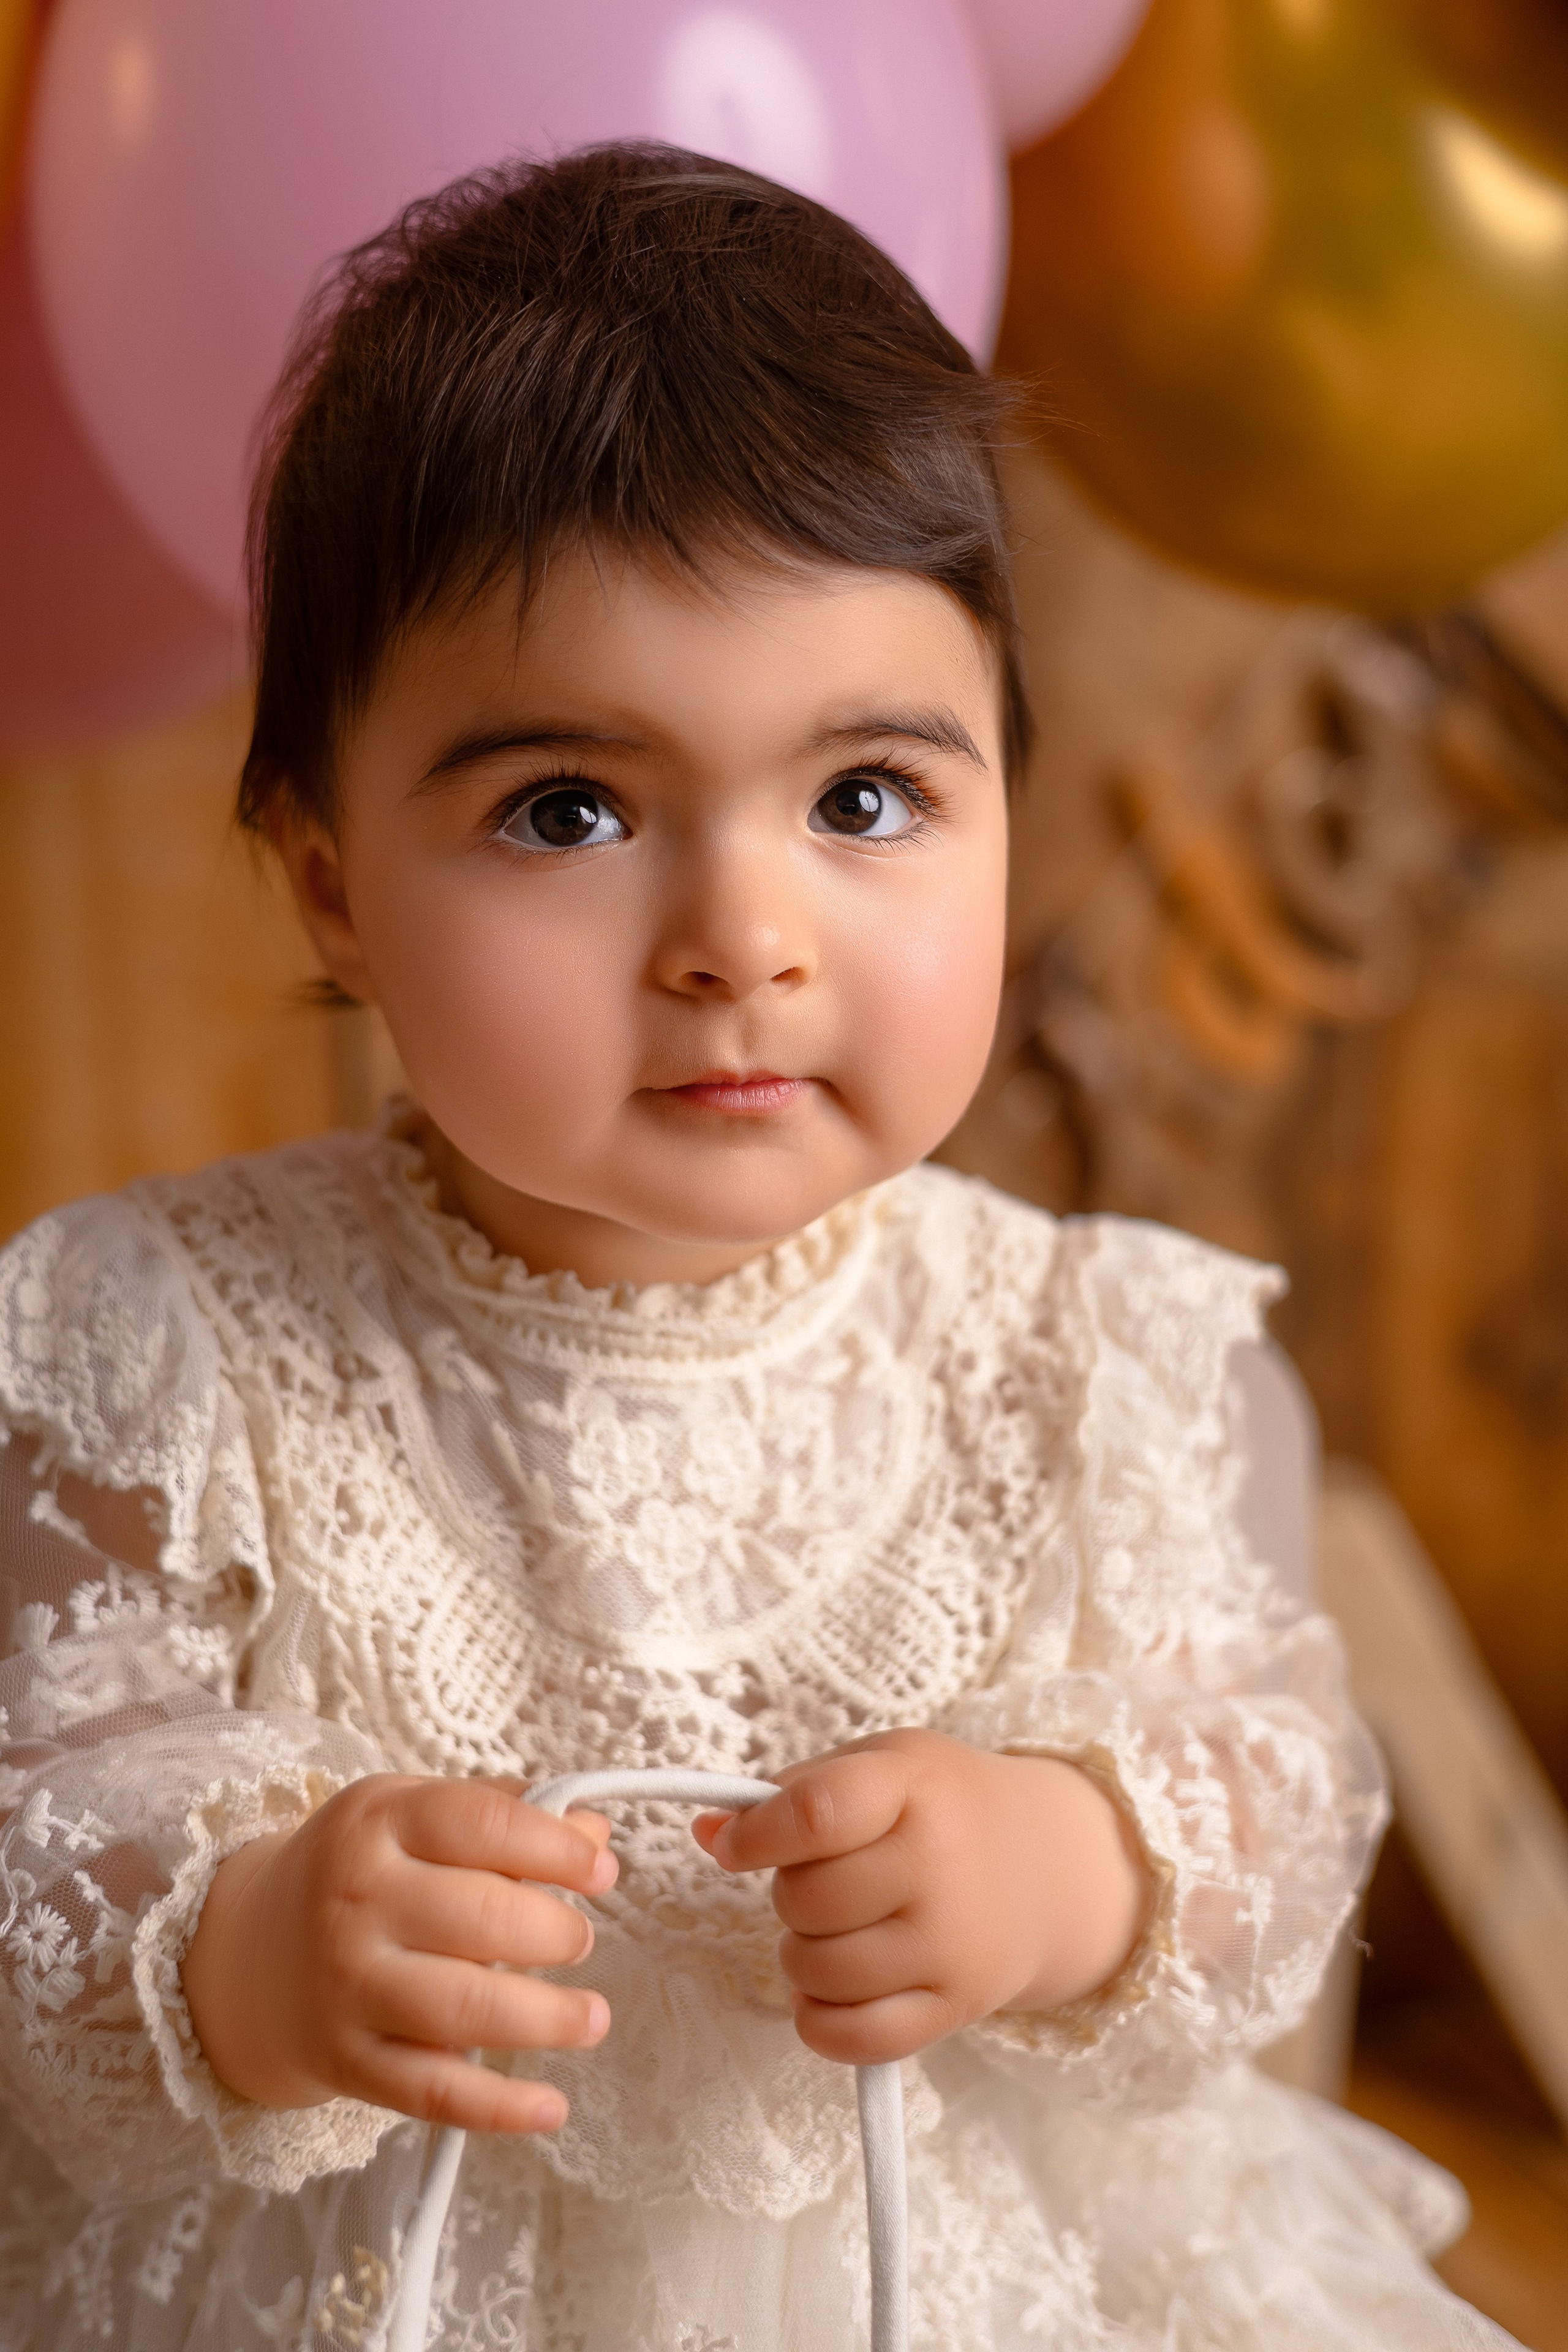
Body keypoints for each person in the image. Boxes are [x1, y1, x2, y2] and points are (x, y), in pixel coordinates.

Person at [0, 144, 1519, 2352]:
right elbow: (44, 1799)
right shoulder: (166, 1344)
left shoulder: (1078, 1351)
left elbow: (1283, 1782)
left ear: (1007, 786)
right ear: (330, 881)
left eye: (868, 798)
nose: (743, 940)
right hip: (379, 2288)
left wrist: (1072, 1863)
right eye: (571, 811)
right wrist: (244, 1933)